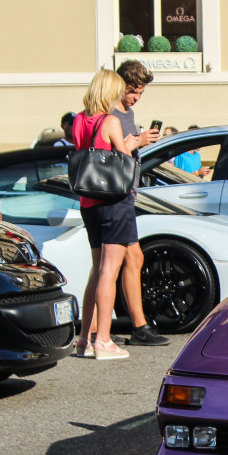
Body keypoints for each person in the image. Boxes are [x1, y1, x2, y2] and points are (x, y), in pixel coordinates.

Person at [71, 69, 135, 360]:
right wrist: (134, 143)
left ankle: (84, 338)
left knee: (96, 271)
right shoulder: (110, 121)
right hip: (114, 202)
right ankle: (104, 341)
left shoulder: (79, 120)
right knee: (111, 271)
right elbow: (124, 159)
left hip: (88, 202)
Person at [111, 60, 168, 347]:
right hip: (115, 195)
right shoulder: (110, 113)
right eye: (132, 91)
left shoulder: (127, 112)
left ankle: (129, 325)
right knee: (121, 262)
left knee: (126, 260)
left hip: (125, 193)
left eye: (140, 93)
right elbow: (111, 149)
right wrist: (137, 140)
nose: (136, 97)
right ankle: (137, 325)